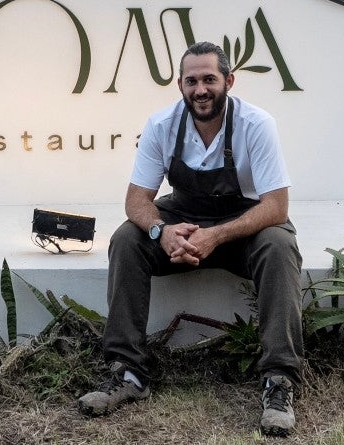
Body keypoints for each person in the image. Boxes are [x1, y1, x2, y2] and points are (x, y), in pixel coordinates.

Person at [78, 41, 303, 437]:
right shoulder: (161, 125)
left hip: (242, 223)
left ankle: (279, 380)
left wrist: (215, 236)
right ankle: (127, 373)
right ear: (180, 85)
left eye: (209, 79)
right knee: (127, 240)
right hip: (181, 219)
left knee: (279, 246)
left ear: (229, 81)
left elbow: (276, 206)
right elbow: (137, 199)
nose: (201, 89)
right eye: (192, 80)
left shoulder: (256, 124)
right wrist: (161, 231)